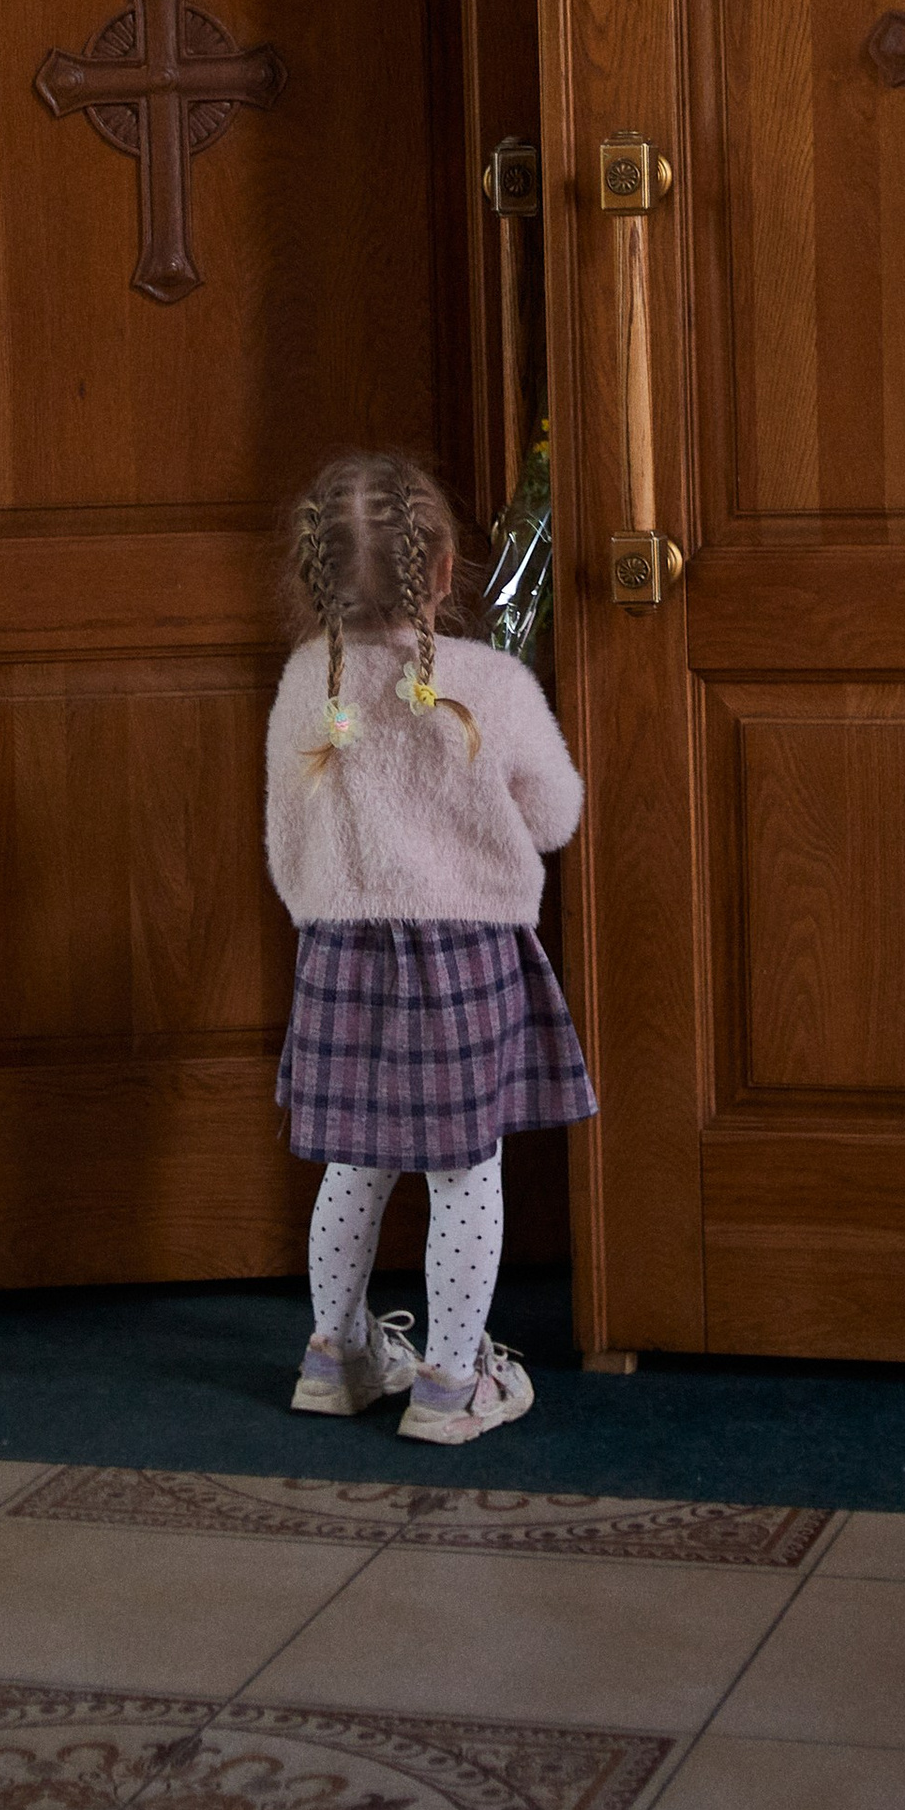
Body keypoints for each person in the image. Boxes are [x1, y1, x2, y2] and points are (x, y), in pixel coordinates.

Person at [266, 447, 594, 1444]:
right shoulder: (487, 682)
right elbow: (554, 816)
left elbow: (287, 839)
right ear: (446, 570)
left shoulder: (301, 686)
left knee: (353, 1165)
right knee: (466, 1172)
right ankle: (452, 1383)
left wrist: (329, 913)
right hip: (465, 959)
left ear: (313, 573)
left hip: (340, 952)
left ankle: (335, 1357)